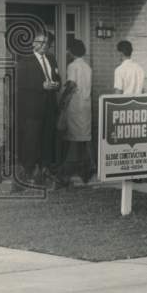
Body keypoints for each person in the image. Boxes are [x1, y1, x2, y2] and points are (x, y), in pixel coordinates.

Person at [13, 29, 61, 186]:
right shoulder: (25, 60)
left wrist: (57, 84)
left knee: (47, 139)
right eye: (40, 42)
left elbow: (57, 76)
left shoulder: (52, 59)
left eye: (46, 43)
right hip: (32, 109)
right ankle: (29, 172)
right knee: (32, 140)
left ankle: (45, 170)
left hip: (49, 106)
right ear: (34, 43)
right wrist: (41, 86)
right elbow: (20, 84)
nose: (43, 46)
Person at [58, 38, 95, 186]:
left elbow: (72, 84)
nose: (67, 52)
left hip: (75, 105)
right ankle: (87, 169)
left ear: (72, 51)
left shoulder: (73, 66)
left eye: (68, 50)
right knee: (84, 138)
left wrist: (62, 100)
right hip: (86, 105)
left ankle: (68, 171)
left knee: (72, 138)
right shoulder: (87, 67)